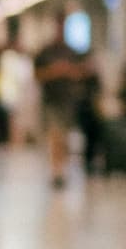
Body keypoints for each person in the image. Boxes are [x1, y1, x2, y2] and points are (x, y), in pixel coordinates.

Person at [34, 20, 92, 187]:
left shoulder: (72, 52)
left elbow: (82, 73)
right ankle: (56, 170)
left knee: (64, 137)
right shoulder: (45, 52)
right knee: (54, 135)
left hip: (68, 100)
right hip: (51, 99)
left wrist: (69, 71)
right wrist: (54, 71)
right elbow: (37, 75)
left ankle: (62, 168)